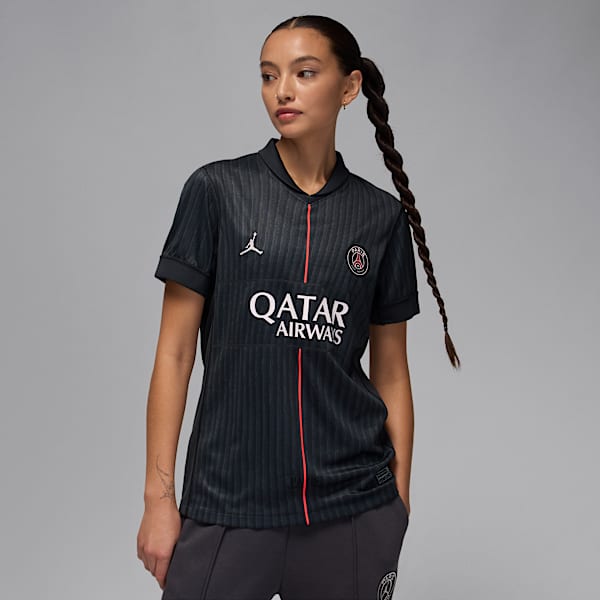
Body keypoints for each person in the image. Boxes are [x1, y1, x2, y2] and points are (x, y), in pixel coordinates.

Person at [137, 14, 460, 600]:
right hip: (227, 502)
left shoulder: (380, 218)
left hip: (353, 509)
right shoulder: (216, 191)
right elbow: (175, 354)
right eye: (268, 75)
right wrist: (159, 500)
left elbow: (391, 371)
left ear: (349, 86)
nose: (281, 90)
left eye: (304, 73)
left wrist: (399, 502)